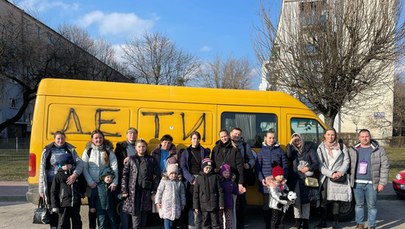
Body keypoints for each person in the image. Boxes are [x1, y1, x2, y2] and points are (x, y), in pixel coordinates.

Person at [39, 131, 83, 229]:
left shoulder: (70, 149)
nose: (60, 140)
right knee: (54, 209)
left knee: (64, 213)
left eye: (62, 138)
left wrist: (75, 173)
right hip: (51, 183)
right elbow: (42, 170)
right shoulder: (48, 150)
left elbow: (80, 164)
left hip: (65, 184)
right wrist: (41, 188)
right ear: (54, 139)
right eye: (58, 138)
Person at [348, 129, 390, 229]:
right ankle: (360, 224)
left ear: (370, 137)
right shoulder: (353, 150)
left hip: (372, 183)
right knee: (359, 205)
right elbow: (348, 165)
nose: (364, 138)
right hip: (357, 183)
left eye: (366, 136)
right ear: (359, 138)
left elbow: (385, 166)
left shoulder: (379, 150)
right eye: (362, 137)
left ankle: (372, 225)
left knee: (372, 206)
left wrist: (382, 183)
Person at [82, 130, 119, 229]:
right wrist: (90, 182)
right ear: (92, 139)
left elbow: (114, 167)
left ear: (103, 138)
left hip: (105, 185)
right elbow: (84, 168)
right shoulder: (88, 151)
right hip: (92, 185)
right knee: (93, 209)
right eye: (96, 138)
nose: (98, 140)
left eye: (100, 138)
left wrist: (115, 182)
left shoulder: (108, 151)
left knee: (107, 210)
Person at [316, 128, 352, 229]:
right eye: (328, 135)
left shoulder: (341, 146)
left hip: (338, 176)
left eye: (332, 135)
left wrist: (340, 172)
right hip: (326, 177)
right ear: (324, 135)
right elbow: (320, 164)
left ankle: (335, 223)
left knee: (337, 200)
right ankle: (323, 221)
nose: (330, 137)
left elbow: (346, 161)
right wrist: (331, 173)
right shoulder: (320, 147)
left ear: (335, 136)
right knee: (324, 200)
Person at [121, 139, 160, 229]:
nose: (141, 148)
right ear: (135, 148)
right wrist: (124, 190)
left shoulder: (151, 159)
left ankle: (141, 226)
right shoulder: (131, 159)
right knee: (135, 211)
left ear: (146, 148)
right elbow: (125, 176)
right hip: (133, 190)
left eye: (143, 147)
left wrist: (154, 191)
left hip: (146, 189)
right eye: (139, 146)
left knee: (144, 211)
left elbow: (157, 176)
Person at [255, 130, 288, 229]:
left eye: (273, 138)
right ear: (265, 138)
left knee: (278, 204)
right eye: (269, 137)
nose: (271, 140)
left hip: (278, 183)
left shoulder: (280, 150)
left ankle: (277, 224)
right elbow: (258, 167)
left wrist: (284, 178)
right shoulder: (261, 151)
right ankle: (267, 225)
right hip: (266, 183)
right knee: (266, 206)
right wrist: (261, 179)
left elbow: (285, 166)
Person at [286, 133, 320, 229]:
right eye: (295, 141)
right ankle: (297, 221)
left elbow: (316, 163)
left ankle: (305, 221)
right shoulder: (292, 150)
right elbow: (289, 156)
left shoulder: (309, 149)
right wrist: (290, 143)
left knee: (306, 201)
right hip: (296, 178)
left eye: (299, 140)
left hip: (306, 178)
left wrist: (308, 167)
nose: (297, 142)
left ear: (302, 139)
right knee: (296, 200)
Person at [179, 131, 210, 229]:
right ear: (191, 139)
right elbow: (182, 167)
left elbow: (206, 165)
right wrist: (191, 179)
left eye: (197, 138)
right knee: (190, 202)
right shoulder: (185, 152)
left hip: (201, 178)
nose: (195, 140)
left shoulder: (204, 151)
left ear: (199, 139)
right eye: (194, 138)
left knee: (201, 202)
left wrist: (200, 178)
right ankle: (191, 224)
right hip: (189, 181)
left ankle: (200, 224)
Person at [229, 127, 255, 229]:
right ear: (231, 133)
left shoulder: (245, 145)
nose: (237, 135)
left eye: (239, 134)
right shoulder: (226, 144)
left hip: (241, 176)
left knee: (242, 201)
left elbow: (251, 158)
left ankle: (241, 223)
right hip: (228, 177)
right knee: (229, 200)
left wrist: (249, 165)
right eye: (235, 133)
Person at [50, 153, 83, 229]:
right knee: (63, 223)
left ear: (72, 164)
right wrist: (54, 205)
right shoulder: (58, 176)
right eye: (64, 165)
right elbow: (53, 191)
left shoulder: (77, 175)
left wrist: (81, 193)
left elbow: (82, 184)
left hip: (75, 203)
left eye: (68, 164)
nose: (66, 166)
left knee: (77, 222)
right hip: (63, 204)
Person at [115, 127, 138, 228]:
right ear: (126, 135)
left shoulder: (139, 146)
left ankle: (132, 225)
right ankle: (124, 225)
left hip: (136, 178)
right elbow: (116, 161)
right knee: (124, 201)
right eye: (130, 133)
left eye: (134, 133)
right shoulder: (121, 146)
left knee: (133, 202)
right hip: (124, 177)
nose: (132, 135)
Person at [193, 158, 224, 229]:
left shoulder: (215, 177)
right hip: (203, 206)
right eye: (206, 168)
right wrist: (196, 206)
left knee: (215, 223)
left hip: (214, 205)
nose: (208, 169)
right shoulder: (199, 178)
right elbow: (196, 194)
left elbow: (220, 191)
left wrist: (221, 204)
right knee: (205, 224)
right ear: (203, 167)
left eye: (210, 168)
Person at [211, 129, 245, 193]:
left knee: (231, 199)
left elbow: (240, 166)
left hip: (232, 179)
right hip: (219, 178)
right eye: (222, 137)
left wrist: (240, 182)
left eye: (225, 136)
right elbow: (212, 163)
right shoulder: (215, 149)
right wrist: (216, 170)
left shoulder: (234, 149)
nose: (224, 138)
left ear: (229, 136)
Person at [155, 163, 186, 229]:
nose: (173, 175)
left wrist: (183, 203)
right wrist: (158, 201)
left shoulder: (179, 182)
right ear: (168, 173)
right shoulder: (164, 181)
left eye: (175, 173)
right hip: (166, 204)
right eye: (171, 173)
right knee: (167, 220)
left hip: (176, 204)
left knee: (173, 221)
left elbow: (182, 193)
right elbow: (159, 191)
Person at [219, 163, 245, 229]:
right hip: (220, 204)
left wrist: (240, 192)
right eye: (225, 173)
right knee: (220, 219)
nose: (226, 174)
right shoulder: (219, 182)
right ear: (222, 173)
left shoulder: (232, 183)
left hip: (229, 204)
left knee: (229, 220)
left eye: (228, 173)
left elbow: (235, 192)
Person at [268, 162, 290, 229]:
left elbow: (287, 191)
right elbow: (275, 195)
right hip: (275, 206)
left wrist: (288, 196)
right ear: (275, 176)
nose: (281, 176)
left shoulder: (284, 183)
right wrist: (283, 200)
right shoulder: (272, 185)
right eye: (279, 175)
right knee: (274, 220)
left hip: (283, 205)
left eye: (282, 175)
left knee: (281, 220)